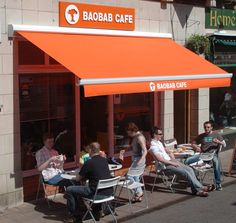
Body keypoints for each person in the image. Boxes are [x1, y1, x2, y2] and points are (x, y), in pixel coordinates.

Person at [149, 126, 215, 197]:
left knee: (189, 169)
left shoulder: (158, 142)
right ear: (154, 135)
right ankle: (202, 187)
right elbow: (160, 159)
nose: (162, 135)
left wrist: (171, 153)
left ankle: (195, 190)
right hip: (164, 166)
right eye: (160, 134)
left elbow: (166, 150)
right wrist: (172, 163)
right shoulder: (153, 146)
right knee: (185, 172)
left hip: (170, 161)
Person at [65, 142, 112, 223]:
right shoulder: (105, 160)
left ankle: (75, 216)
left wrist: (72, 175)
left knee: (69, 189)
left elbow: (78, 179)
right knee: (94, 187)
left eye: (88, 150)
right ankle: (96, 212)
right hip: (108, 193)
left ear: (91, 150)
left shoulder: (89, 162)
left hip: (96, 194)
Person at [185, 121, 226, 191]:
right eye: (205, 127)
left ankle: (218, 183)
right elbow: (193, 143)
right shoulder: (202, 136)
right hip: (203, 155)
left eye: (208, 127)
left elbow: (224, 145)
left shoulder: (216, 134)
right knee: (187, 161)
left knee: (216, 163)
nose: (206, 129)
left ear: (211, 128)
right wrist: (196, 147)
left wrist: (219, 142)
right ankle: (195, 179)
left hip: (212, 155)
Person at [126, 122, 148, 202]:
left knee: (128, 176)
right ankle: (138, 196)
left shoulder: (139, 137)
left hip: (138, 160)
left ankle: (139, 192)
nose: (128, 135)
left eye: (128, 133)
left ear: (132, 130)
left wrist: (140, 160)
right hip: (136, 159)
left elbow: (145, 151)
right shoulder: (136, 137)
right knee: (136, 178)